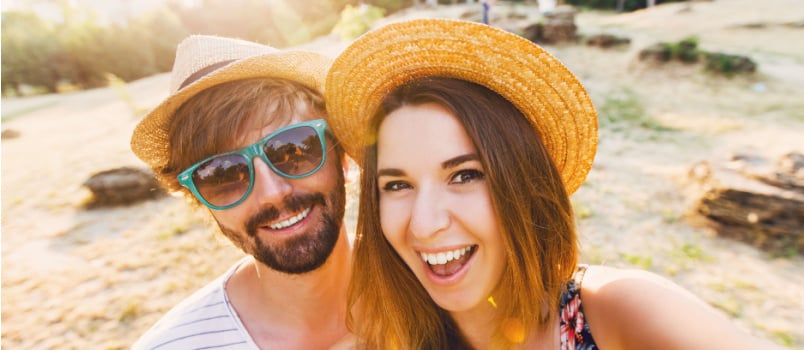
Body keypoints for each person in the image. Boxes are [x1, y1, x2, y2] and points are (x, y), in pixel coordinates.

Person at [325, 19, 782, 349]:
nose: (424, 225)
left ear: (521, 183)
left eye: (464, 175)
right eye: (397, 186)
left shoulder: (618, 313)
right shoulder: (388, 340)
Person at [130, 35, 352, 349]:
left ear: (341, 153)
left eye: (293, 150)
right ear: (199, 199)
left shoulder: (434, 288)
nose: (272, 193)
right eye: (224, 175)